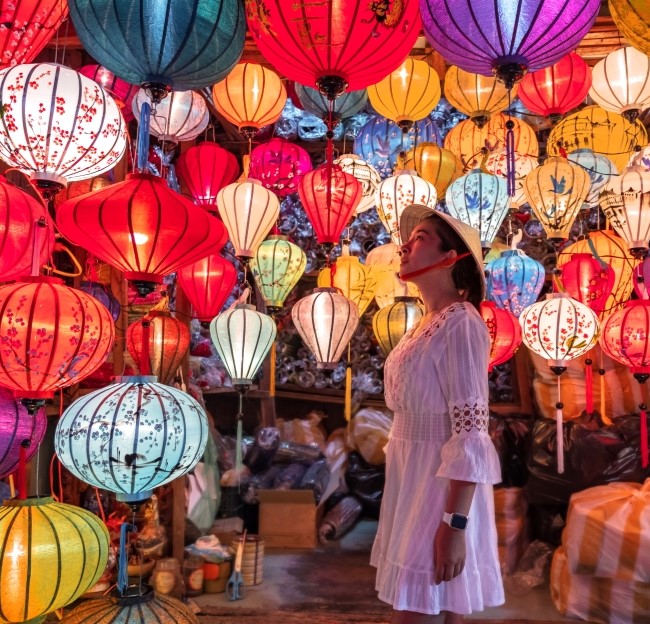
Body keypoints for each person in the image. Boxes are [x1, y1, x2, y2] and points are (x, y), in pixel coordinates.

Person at [370, 204, 504, 624]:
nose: (405, 246)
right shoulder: (424, 323)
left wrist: (455, 524)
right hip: (411, 479)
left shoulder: (461, 323)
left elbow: (471, 433)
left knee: (419, 607)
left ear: (450, 258)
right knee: (435, 606)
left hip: (440, 486)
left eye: (421, 238)